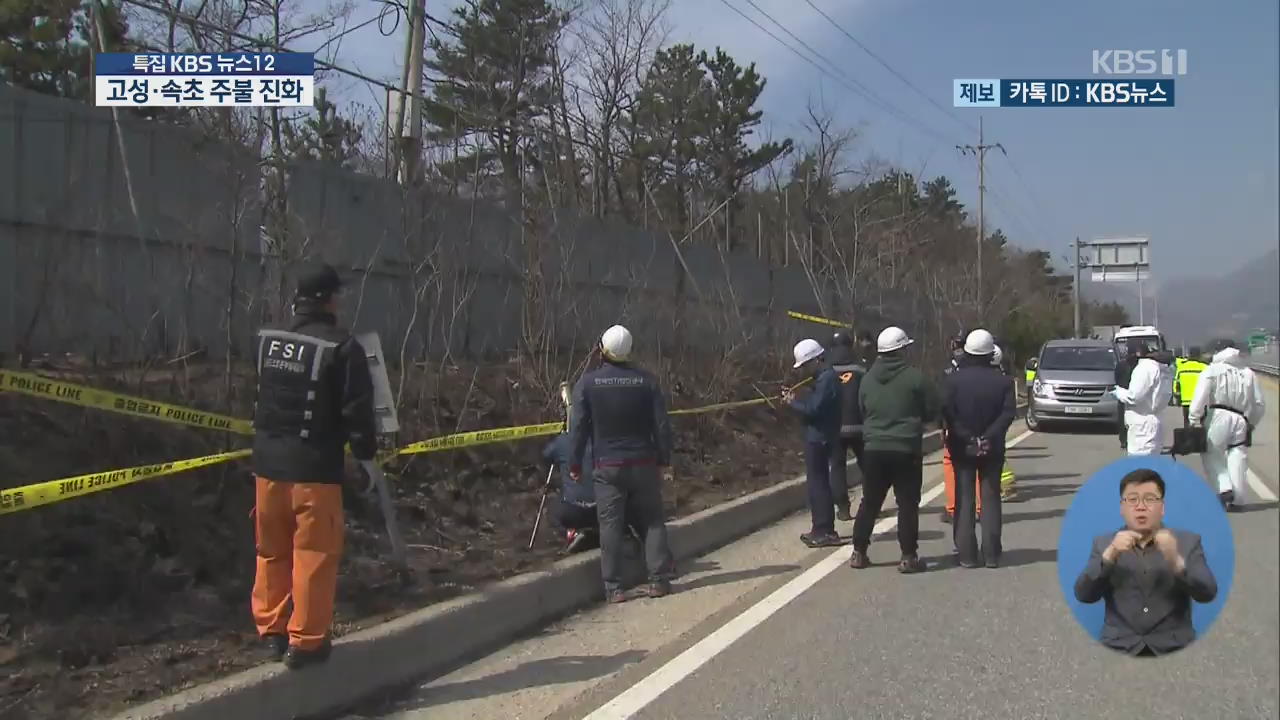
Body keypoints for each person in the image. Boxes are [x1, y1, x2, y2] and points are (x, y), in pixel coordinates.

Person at [250, 261, 377, 669]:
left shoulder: (269, 341)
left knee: (270, 551)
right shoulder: (342, 348)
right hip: (314, 471)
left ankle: (271, 631)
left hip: (267, 467)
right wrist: (366, 459)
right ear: (329, 300)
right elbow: (358, 412)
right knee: (314, 553)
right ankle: (305, 642)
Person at [569, 325, 676, 604]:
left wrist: (574, 463)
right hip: (643, 461)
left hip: (607, 465)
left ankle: (614, 588)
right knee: (652, 521)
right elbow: (661, 425)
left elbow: (577, 428)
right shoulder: (647, 381)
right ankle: (658, 581)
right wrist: (664, 459)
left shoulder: (588, 384)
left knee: (610, 525)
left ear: (602, 349)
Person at [1073, 468, 1218, 657]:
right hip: (1119, 647)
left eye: (1150, 499)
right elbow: (1084, 595)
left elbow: (1207, 593)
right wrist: (1109, 556)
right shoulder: (1104, 544)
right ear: (1121, 508)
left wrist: (1176, 560)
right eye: (1132, 500)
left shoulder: (1187, 542)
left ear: (1162, 507)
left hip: (1174, 647)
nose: (1140, 506)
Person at [849, 326, 936, 573]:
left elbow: (862, 408)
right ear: (901, 350)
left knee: (870, 502)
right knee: (907, 503)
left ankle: (858, 552)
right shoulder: (915, 378)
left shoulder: (866, 379)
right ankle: (908, 556)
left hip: (874, 448)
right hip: (905, 447)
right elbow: (932, 409)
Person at [941, 330, 1017, 568]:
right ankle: (992, 554)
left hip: (962, 447)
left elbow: (948, 414)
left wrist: (968, 437)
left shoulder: (952, 380)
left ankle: (967, 554)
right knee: (991, 497)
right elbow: (1007, 414)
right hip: (992, 447)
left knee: (964, 498)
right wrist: (987, 437)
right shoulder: (1004, 381)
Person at [1188, 345, 1267, 512]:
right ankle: (1239, 500)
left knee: (1212, 454)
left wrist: (1194, 419)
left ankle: (1224, 488)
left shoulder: (1212, 370)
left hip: (1218, 415)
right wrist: (1251, 423)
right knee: (1238, 456)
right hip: (1241, 418)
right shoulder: (1248, 373)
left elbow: (1200, 397)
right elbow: (1259, 404)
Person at [784, 338, 843, 547]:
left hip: (820, 438)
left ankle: (824, 529)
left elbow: (813, 410)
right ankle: (821, 527)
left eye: (806, 365)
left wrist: (793, 404)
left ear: (817, 360)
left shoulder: (827, 380)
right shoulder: (823, 380)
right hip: (819, 436)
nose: (804, 370)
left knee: (818, 484)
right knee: (817, 483)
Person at [826, 331, 870, 522]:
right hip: (860, 426)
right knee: (867, 466)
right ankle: (870, 504)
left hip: (835, 428)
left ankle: (843, 508)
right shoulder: (861, 369)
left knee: (836, 467)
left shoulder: (826, 370)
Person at [1112, 340, 1175, 456]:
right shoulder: (1163, 368)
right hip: (1155, 420)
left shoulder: (1144, 368)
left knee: (1140, 465)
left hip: (1142, 424)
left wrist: (1119, 392)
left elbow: (1134, 397)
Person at [941, 333, 979, 524]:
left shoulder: (948, 371)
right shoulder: (978, 365)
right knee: (981, 465)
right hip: (979, 422)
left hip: (955, 424)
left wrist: (943, 425)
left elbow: (943, 401)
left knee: (950, 463)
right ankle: (980, 508)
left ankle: (953, 508)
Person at [1113, 345, 1140, 450]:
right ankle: (1124, 440)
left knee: (1126, 419)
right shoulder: (1135, 365)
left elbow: (1117, 378)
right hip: (1127, 394)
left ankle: (1125, 440)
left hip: (1126, 394)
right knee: (1124, 419)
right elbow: (1117, 377)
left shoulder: (1126, 364)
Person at [1174, 352, 1209, 427]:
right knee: (1203, 422)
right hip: (1201, 400)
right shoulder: (1204, 367)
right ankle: (1201, 438)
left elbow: (1176, 384)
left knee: (1187, 422)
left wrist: (1177, 397)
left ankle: (1188, 437)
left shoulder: (1181, 367)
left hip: (1186, 401)